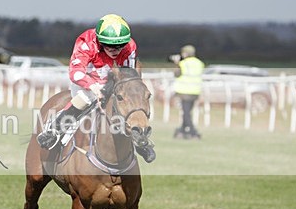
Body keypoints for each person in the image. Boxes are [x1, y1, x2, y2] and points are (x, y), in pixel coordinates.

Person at [36, 13, 155, 162]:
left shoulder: (130, 46)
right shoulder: (86, 42)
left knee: (128, 105)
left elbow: (129, 76)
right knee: (86, 98)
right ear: (99, 40)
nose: (115, 50)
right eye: (110, 46)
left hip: (114, 82)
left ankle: (141, 142)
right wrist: (94, 87)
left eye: (119, 46)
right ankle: (54, 129)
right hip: (87, 80)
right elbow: (76, 72)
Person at [170, 44, 205, 139]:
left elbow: (177, 74)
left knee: (186, 113)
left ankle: (193, 132)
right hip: (195, 91)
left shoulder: (183, 63)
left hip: (184, 91)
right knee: (187, 112)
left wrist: (177, 63)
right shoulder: (199, 63)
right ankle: (181, 131)